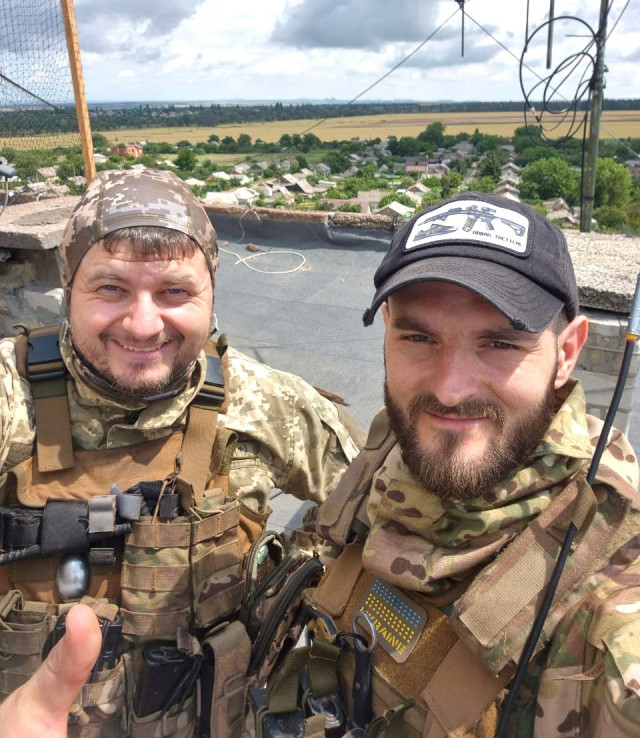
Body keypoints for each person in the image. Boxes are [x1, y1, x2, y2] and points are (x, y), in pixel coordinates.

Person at [3, 191, 640, 738]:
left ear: (568, 352)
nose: (450, 389)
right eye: (419, 337)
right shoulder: (384, 463)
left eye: (499, 342)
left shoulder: (612, 616)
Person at [0, 168, 360, 735]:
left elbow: (380, 512)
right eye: (110, 288)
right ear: (69, 288)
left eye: (175, 292)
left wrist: (299, 582)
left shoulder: (269, 405)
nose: (144, 326)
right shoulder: (9, 399)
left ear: (211, 295)